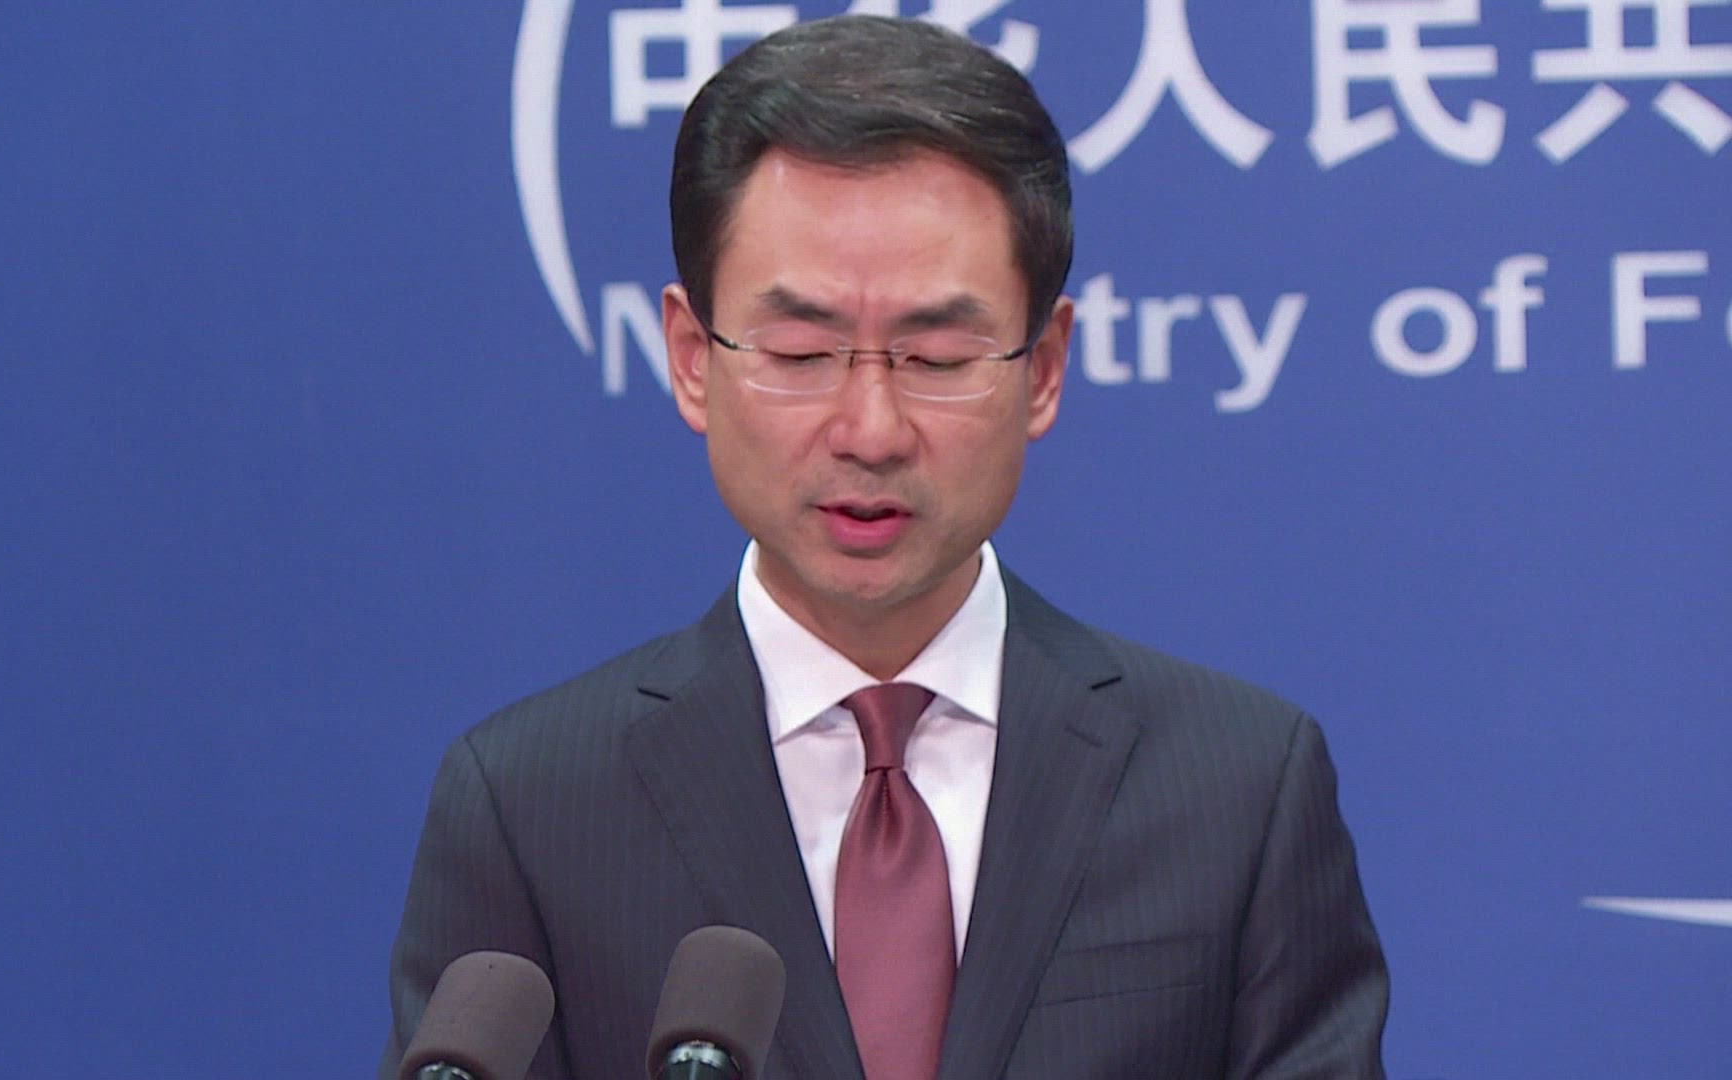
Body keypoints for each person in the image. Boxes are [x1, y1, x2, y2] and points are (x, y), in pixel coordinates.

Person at [381, 15, 1387, 1079]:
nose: (870, 430)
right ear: (690, 357)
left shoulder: (1237, 790)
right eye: (801, 352)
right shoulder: (533, 806)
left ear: (1045, 367)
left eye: (937, 356)